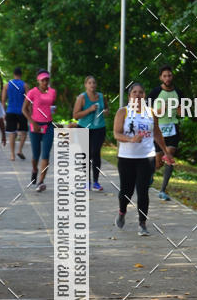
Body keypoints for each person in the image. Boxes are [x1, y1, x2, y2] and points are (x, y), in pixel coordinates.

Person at [113, 82, 174, 235]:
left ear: (145, 95)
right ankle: (122, 211)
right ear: (129, 96)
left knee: (143, 191)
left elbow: (157, 133)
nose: (138, 95)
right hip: (126, 158)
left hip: (146, 157)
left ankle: (142, 223)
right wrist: (131, 139)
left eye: (141, 92)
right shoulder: (123, 112)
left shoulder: (151, 112)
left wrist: (166, 152)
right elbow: (117, 134)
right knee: (126, 191)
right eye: (135, 92)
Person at [147, 65, 184, 201]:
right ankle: (150, 175)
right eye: (165, 76)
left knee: (170, 155)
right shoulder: (155, 92)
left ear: (172, 76)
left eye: (169, 75)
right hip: (158, 129)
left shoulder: (179, 92)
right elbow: (148, 111)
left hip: (173, 127)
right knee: (158, 162)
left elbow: (181, 112)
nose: (167, 78)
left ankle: (163, 190)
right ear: (160, 78)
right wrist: (161, 110)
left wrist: (181, 109)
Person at [22, 69, 56, 192]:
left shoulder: (52, 92)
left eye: (47, 79)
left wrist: (52, 110)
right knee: (36, 155)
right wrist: (32, 122)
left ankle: (41, 182)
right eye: (43, 80)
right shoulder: (32, 92)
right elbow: (24, 109)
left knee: (45, 154)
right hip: (35, 126)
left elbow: (50, 106)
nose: (45, 82)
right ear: (38, 80)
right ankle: (34, 170)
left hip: (48, 126)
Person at [73, 75, 106, 190]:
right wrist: (89, 110)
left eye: (94, 83)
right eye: (90, 83)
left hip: (99, 128)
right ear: (86, 85)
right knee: (85, 155)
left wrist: (105, 112)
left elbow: (106, 109)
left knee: (95, 153)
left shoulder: (101, 96)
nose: (92, 85)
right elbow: (75, 115)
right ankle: (86, 181)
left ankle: (96, 182)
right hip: (83, 127)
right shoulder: (82, 98)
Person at [1, 67, 29, 161]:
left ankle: (12, 155)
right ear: (21, 75)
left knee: (12, 133)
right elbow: (28, 100)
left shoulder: (7, 85)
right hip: (22, 112)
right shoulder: (25, 85)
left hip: (10, 111)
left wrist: (3, 112)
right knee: (24, 132)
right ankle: (19, 150)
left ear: (14, 74)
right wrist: (30, 113)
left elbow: (3, 100)